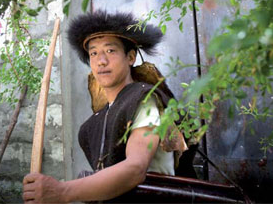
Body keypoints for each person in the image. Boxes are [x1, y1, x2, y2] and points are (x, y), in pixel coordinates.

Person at [22, 11, 186, 203]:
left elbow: (135, 168)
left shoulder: (144, 99)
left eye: (110, 50)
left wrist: (62, 191)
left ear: (131, 57)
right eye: (93, 53)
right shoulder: (95, 123)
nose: (101, 61)